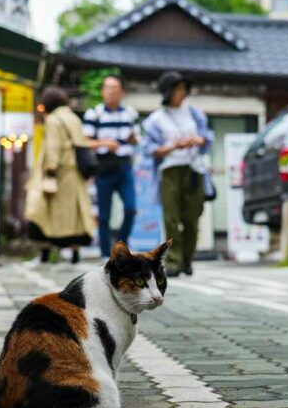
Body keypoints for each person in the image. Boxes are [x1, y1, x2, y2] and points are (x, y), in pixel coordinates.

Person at [142, 71, 213, 277]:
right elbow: (149, 149)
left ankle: (188, 259)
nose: (182, 92)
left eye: (184, 88)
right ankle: (174, 260)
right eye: (178, 88)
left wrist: (198, 140)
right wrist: (172, 146)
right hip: (169, 170)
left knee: (192, 216)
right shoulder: (156, 119)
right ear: (168, 91)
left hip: (193, 170)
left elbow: (207, 138)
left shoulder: (195, 114)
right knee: (171, 218)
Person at [24, 85, 94, 264]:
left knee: (43, 212)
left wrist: (50, 170)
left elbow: (53, 147)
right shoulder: (73, 117)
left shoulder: (53, 120)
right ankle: (75, 254)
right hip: (74, 174)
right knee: (74, 217)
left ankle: (45, 254)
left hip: (59, 175)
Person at [82, 74, 139, 259]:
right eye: (108, 88)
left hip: (124, 166)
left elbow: (137, 138)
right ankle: (105, 253)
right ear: (102, 91)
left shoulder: (130, 113)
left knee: (131, 207)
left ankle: (121, 247)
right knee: (104, 214)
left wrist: (133, 139)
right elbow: (85, 142)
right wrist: (105, 144)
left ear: (121, 92)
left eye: (115, 89)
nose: (111, 92)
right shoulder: (94, 113)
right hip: (103, 166)